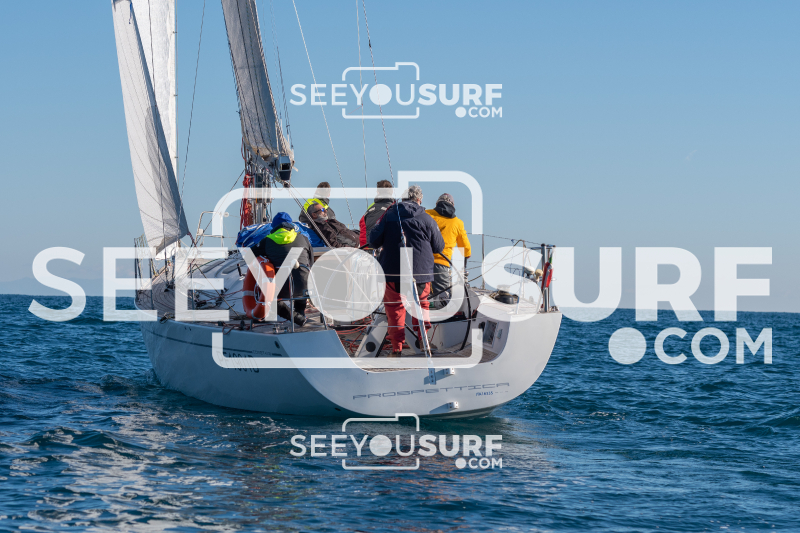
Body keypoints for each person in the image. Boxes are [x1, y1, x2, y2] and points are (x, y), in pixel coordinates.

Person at [369, 185, 444, 356]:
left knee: (395, 309)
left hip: (393, 271)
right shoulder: (427, 218)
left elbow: (373, 240)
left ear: (402, 199)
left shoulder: (388, 215)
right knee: (421, 305)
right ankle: (424, 340)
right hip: (421, 272)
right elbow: (439, 246)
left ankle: (396, 348)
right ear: (419, 200)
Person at [252, 212, 313, 327]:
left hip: (280, 288)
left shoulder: (267, 241)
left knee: (267, 295)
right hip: (305, 288)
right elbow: (311, 261)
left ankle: (295, 317)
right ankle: (300, 312)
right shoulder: (303, 239)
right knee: (301, 276)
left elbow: (250, 256)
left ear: (274, 227)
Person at [425, 193, 471, 305]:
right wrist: (467, 254)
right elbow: (466, 248)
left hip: (422, 261)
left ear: (437, 203)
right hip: (442, 263)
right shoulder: (457, 223)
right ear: (453, 206)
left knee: (419, 295)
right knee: (443, 300)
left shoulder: (426, 214)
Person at [359, 180, 394, 247]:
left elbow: (363, 234)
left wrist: (365, 250)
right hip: (388, 250)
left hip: (369, 249)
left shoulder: (369, 210)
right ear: (392, 192)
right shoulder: (396, 209)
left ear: (378, 192)